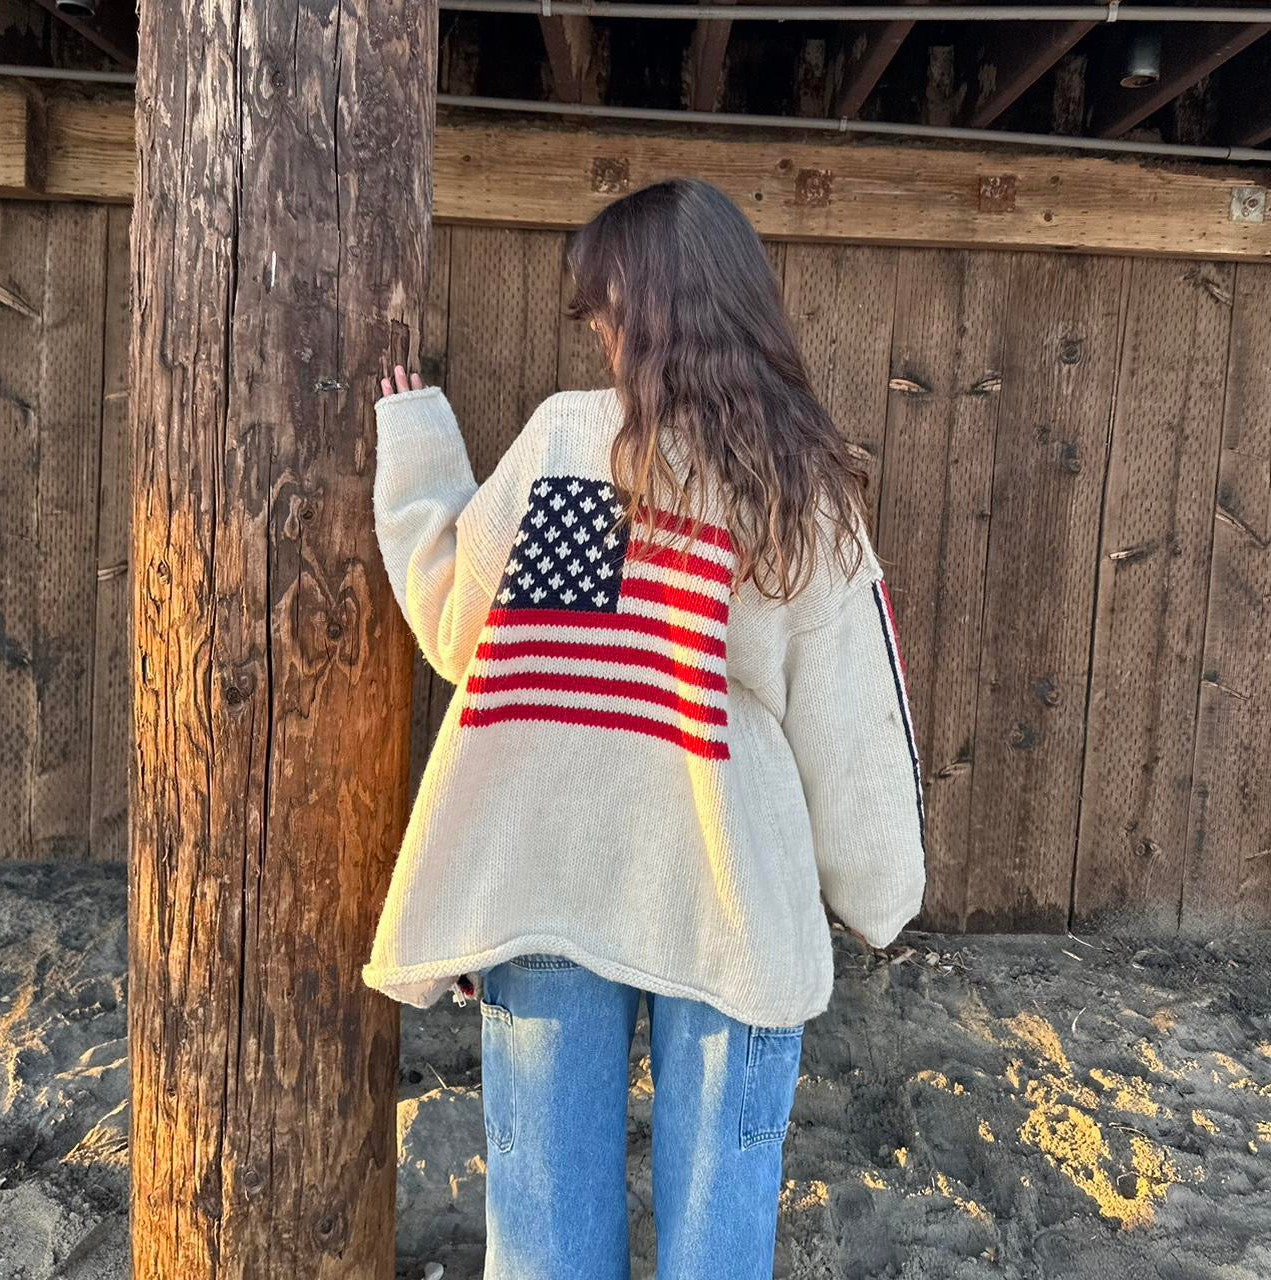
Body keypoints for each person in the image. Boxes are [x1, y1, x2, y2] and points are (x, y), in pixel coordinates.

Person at [364, 178, 926, 1280]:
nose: (598, 338)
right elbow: (853, 725)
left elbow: (457, 621)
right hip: (731, 901)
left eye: (600, 313)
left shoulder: (564, 445)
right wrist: (879, 895)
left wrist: (419, 443)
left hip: (547, 882)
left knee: (542, 1234)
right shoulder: (799, 491)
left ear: (641, 315)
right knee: (718, 1239)